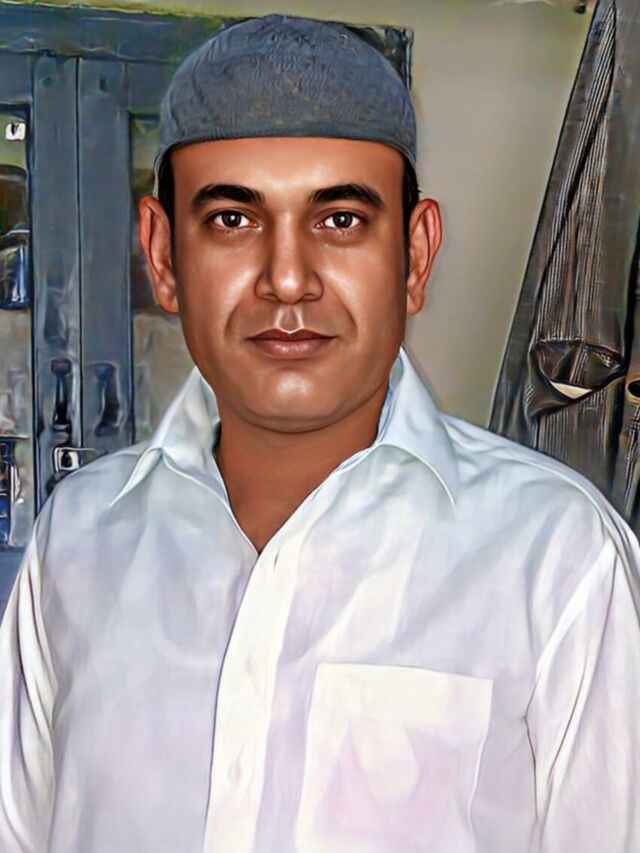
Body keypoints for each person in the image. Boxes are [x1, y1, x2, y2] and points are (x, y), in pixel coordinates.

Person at [0, 13, 639, 853]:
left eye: (339, 220)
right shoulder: (79, 541)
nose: (288, 279)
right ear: (162, 255)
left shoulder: (557, 559)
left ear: (415, 255)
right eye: (233, 220)